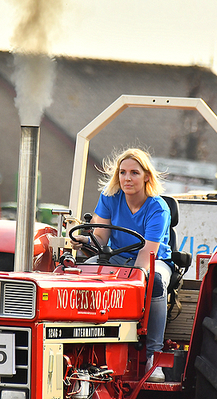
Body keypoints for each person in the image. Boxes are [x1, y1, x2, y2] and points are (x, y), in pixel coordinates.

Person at [72, 148, 172, 383]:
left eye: (134, 173)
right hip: (117, 258)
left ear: (147, 176)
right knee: (82, 271)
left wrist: (128, 284)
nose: (127, 178)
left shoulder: (158, 207)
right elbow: (102, 238)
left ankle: (153, 357)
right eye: (123, 172)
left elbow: (148, 253)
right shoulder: (109, 198)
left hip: (153, 261)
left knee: (154, 282)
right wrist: (81, 240)